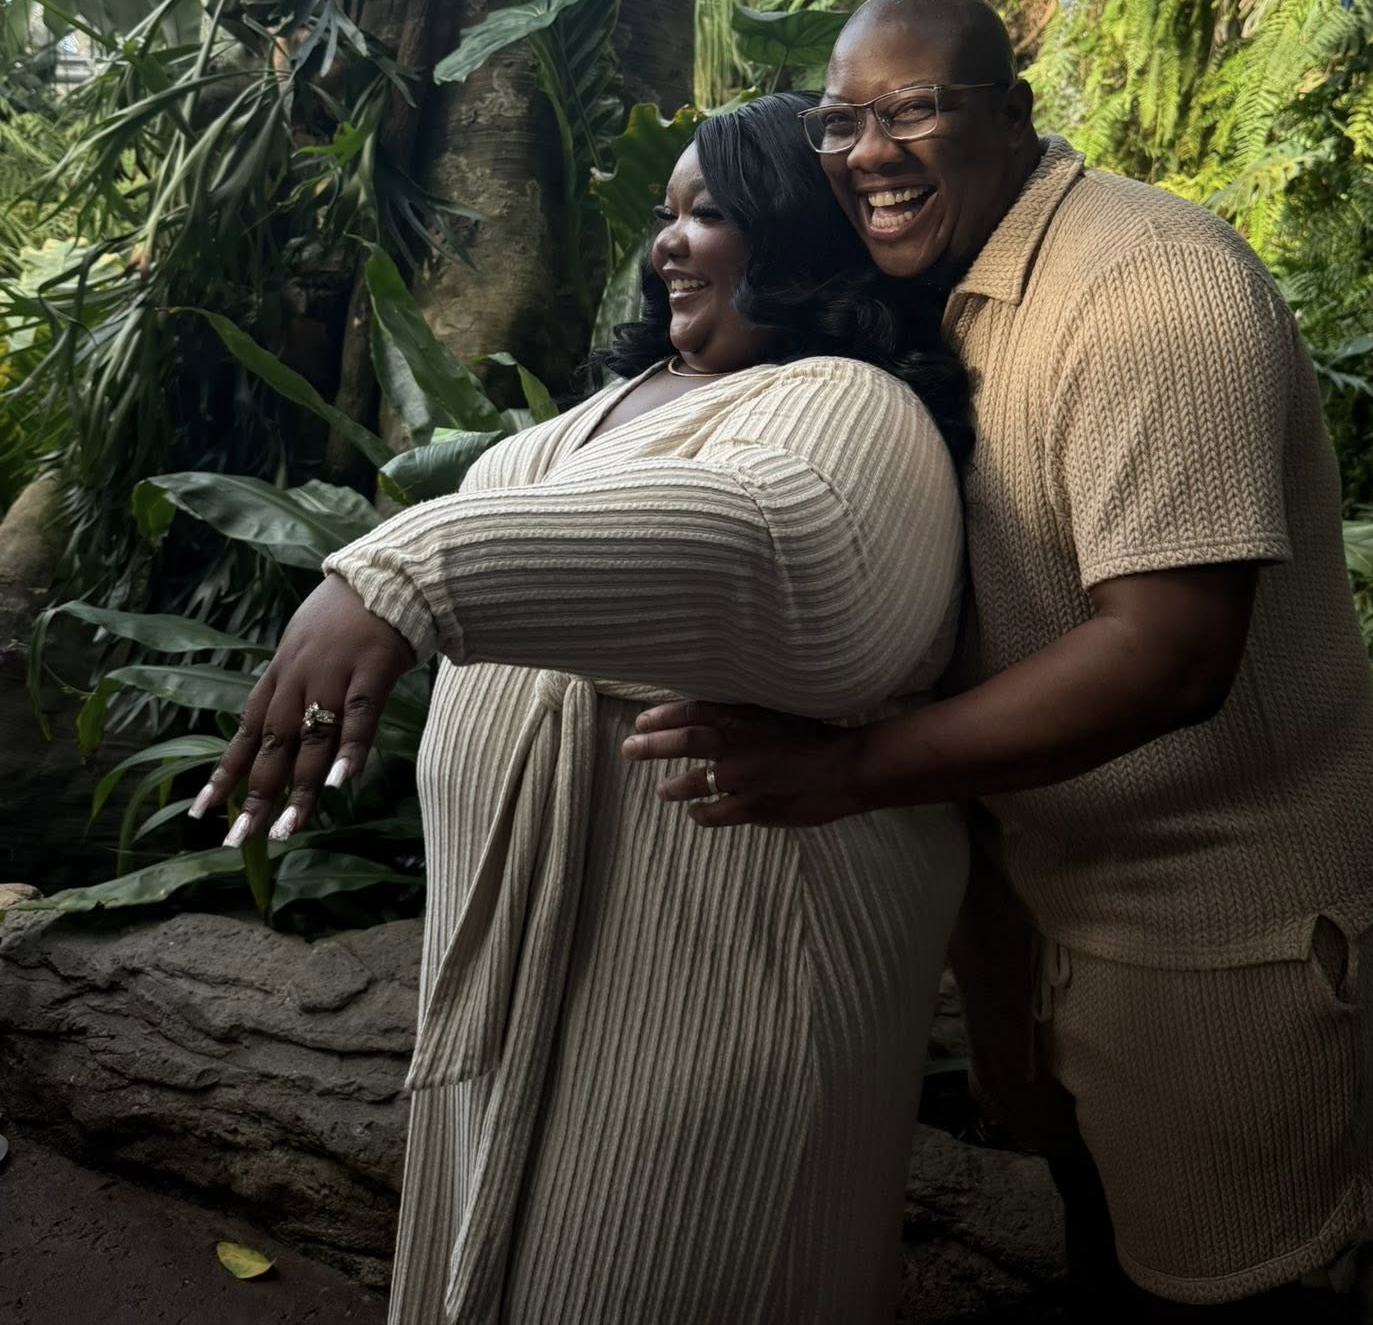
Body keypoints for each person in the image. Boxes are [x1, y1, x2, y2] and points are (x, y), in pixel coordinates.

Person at [624, 0, 1373, 1321]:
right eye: (841, 121)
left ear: (1011, 112)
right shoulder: (938, 290)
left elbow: (1169, 653)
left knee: (1240, 1281)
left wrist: (856, 769)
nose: (869, 152)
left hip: (1222, 912)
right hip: (1048, 900)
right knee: (1108, 1248)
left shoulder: (1148, 292)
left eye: (914, 109)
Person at [186, 92, 973, 1325]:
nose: (668, 241)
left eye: (710, 212)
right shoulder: (626, 399)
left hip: (719, 999)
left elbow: (782, 547)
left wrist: (407, 571)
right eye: (665, 213)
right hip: (508, 986)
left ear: (793, 235)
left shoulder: (848, 402)